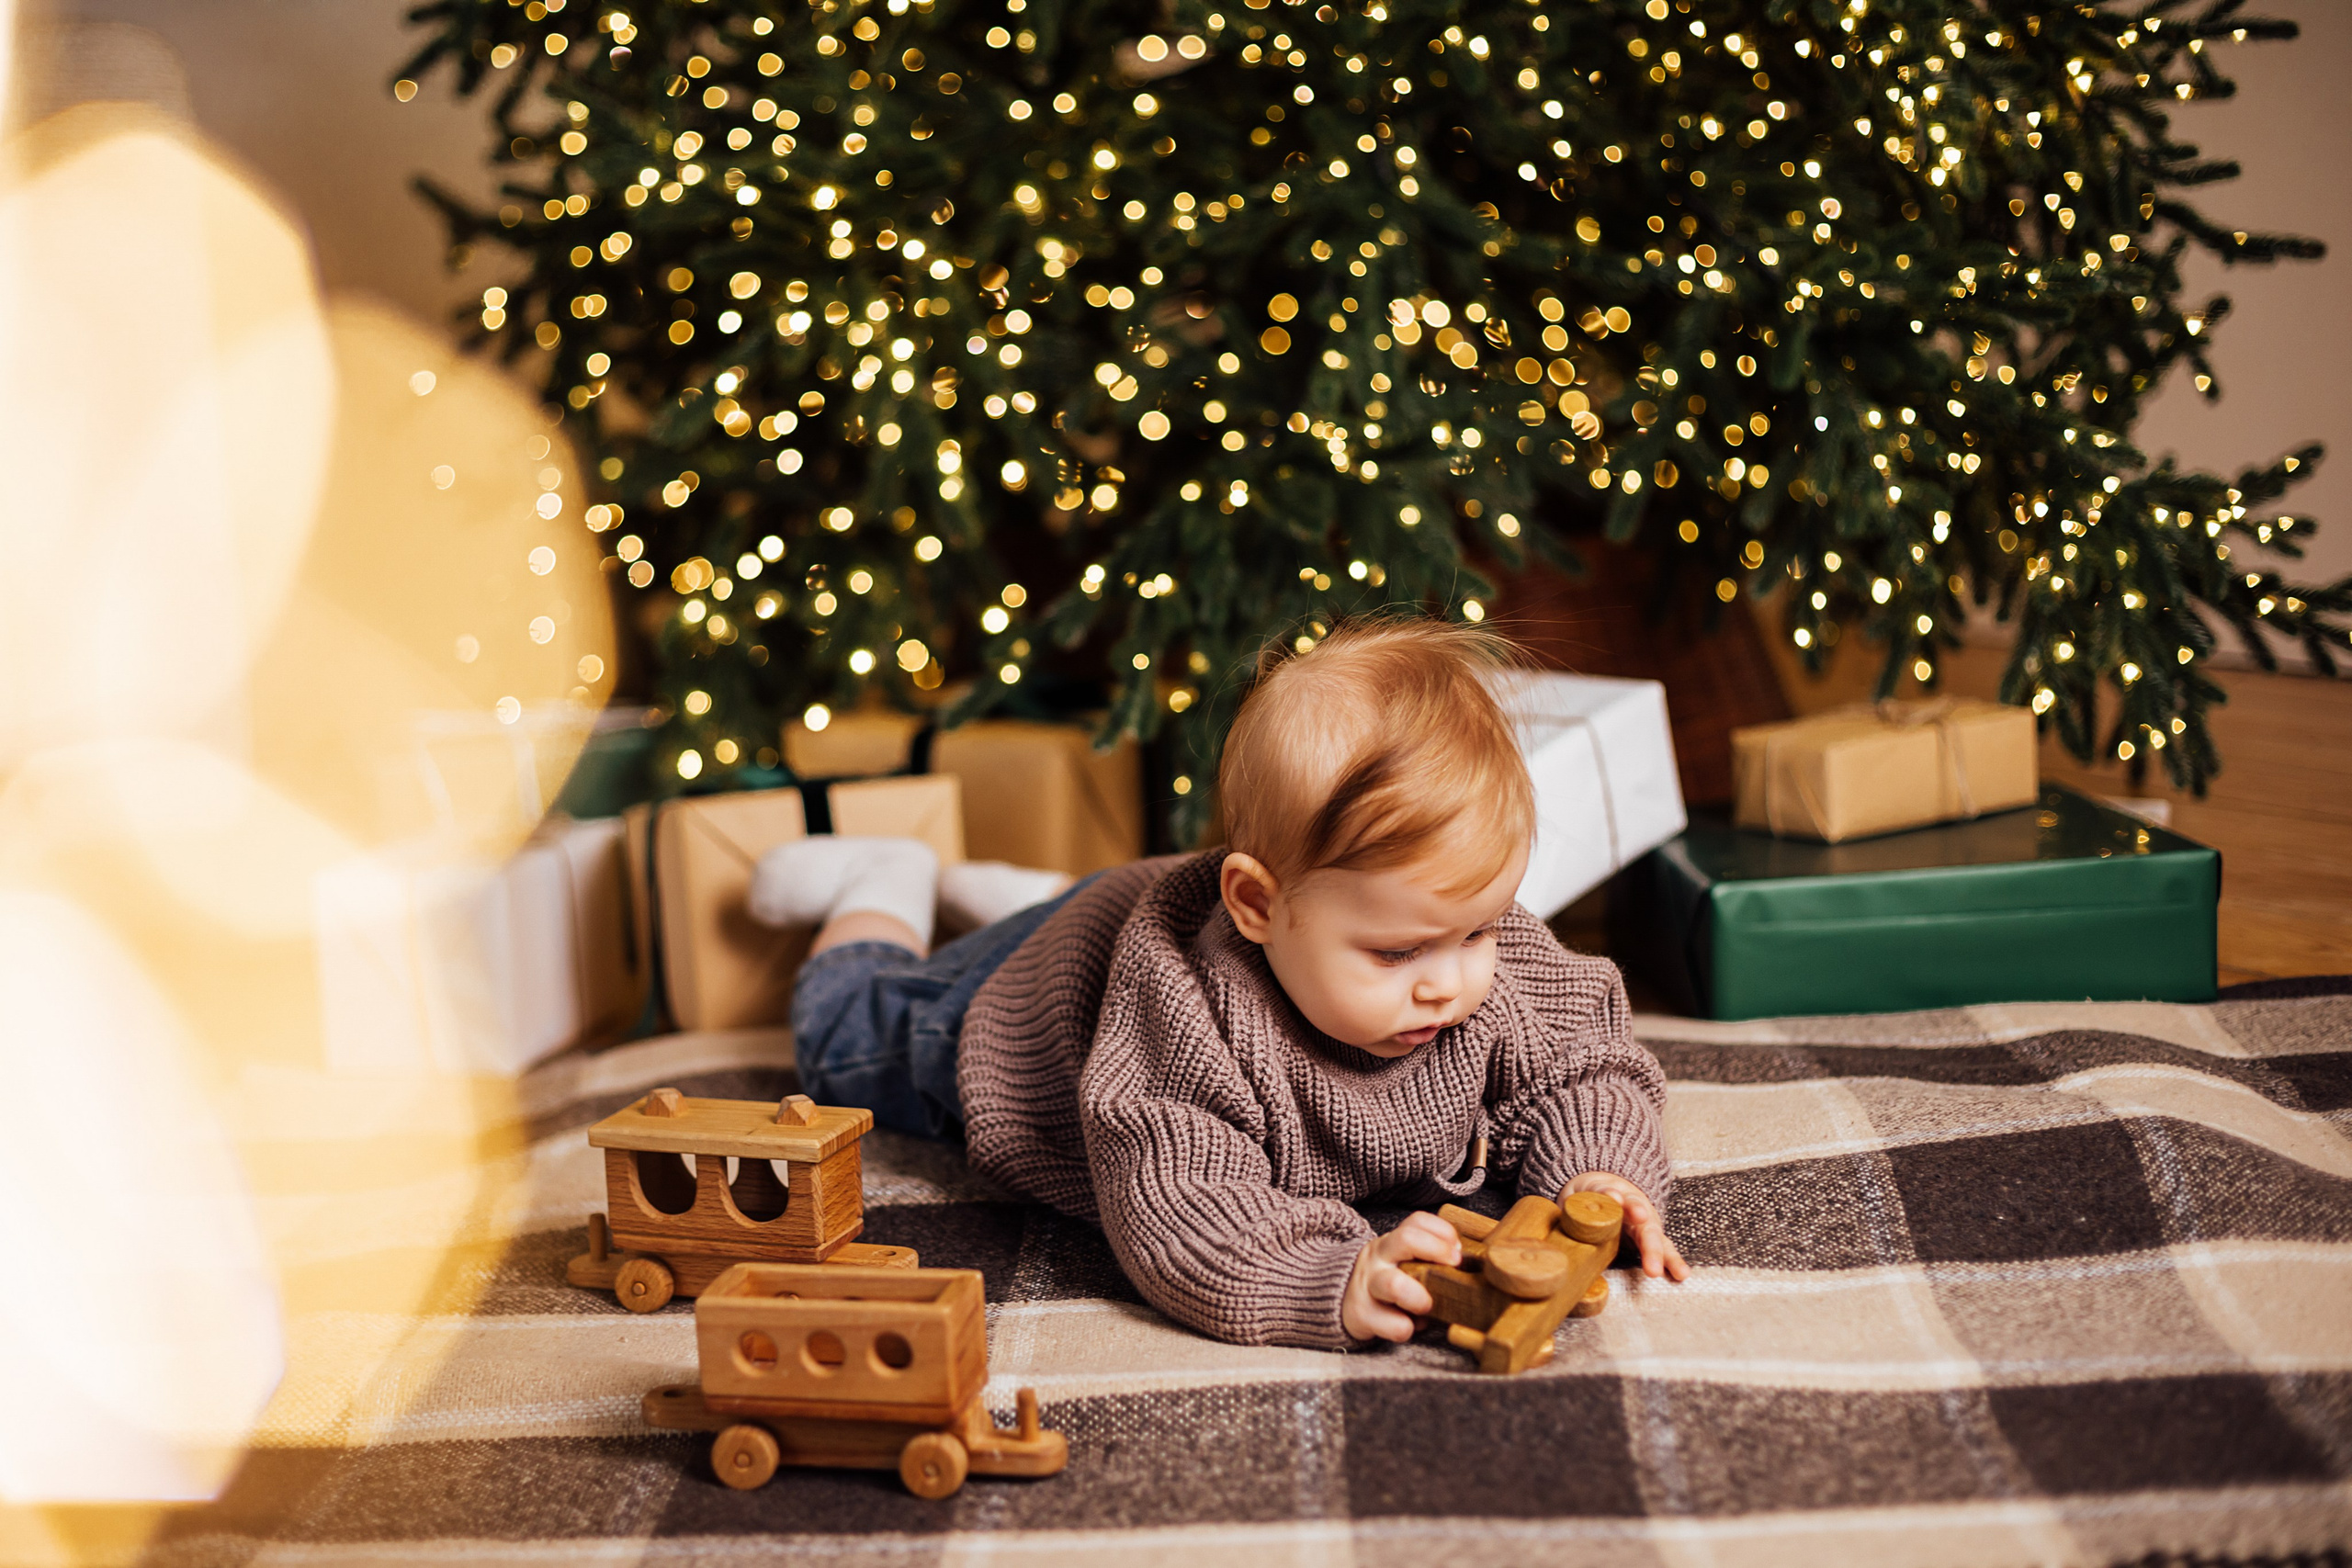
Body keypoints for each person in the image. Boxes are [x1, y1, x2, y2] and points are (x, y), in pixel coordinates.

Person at [752, 615, 1686, 1351]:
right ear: (1255, 905)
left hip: (1127, 907)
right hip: (1011, 1010)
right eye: (1397, 955)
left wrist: (1596, 1166)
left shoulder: (1472, 947)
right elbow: (1183, 1209)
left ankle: (1031, 894)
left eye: (1477, 929)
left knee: (1097, 906)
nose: (1450, 983)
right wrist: (1335, 1278)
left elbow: (1585, 1065)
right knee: (841, 1043)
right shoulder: (1186, 1025)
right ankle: (884, 885)